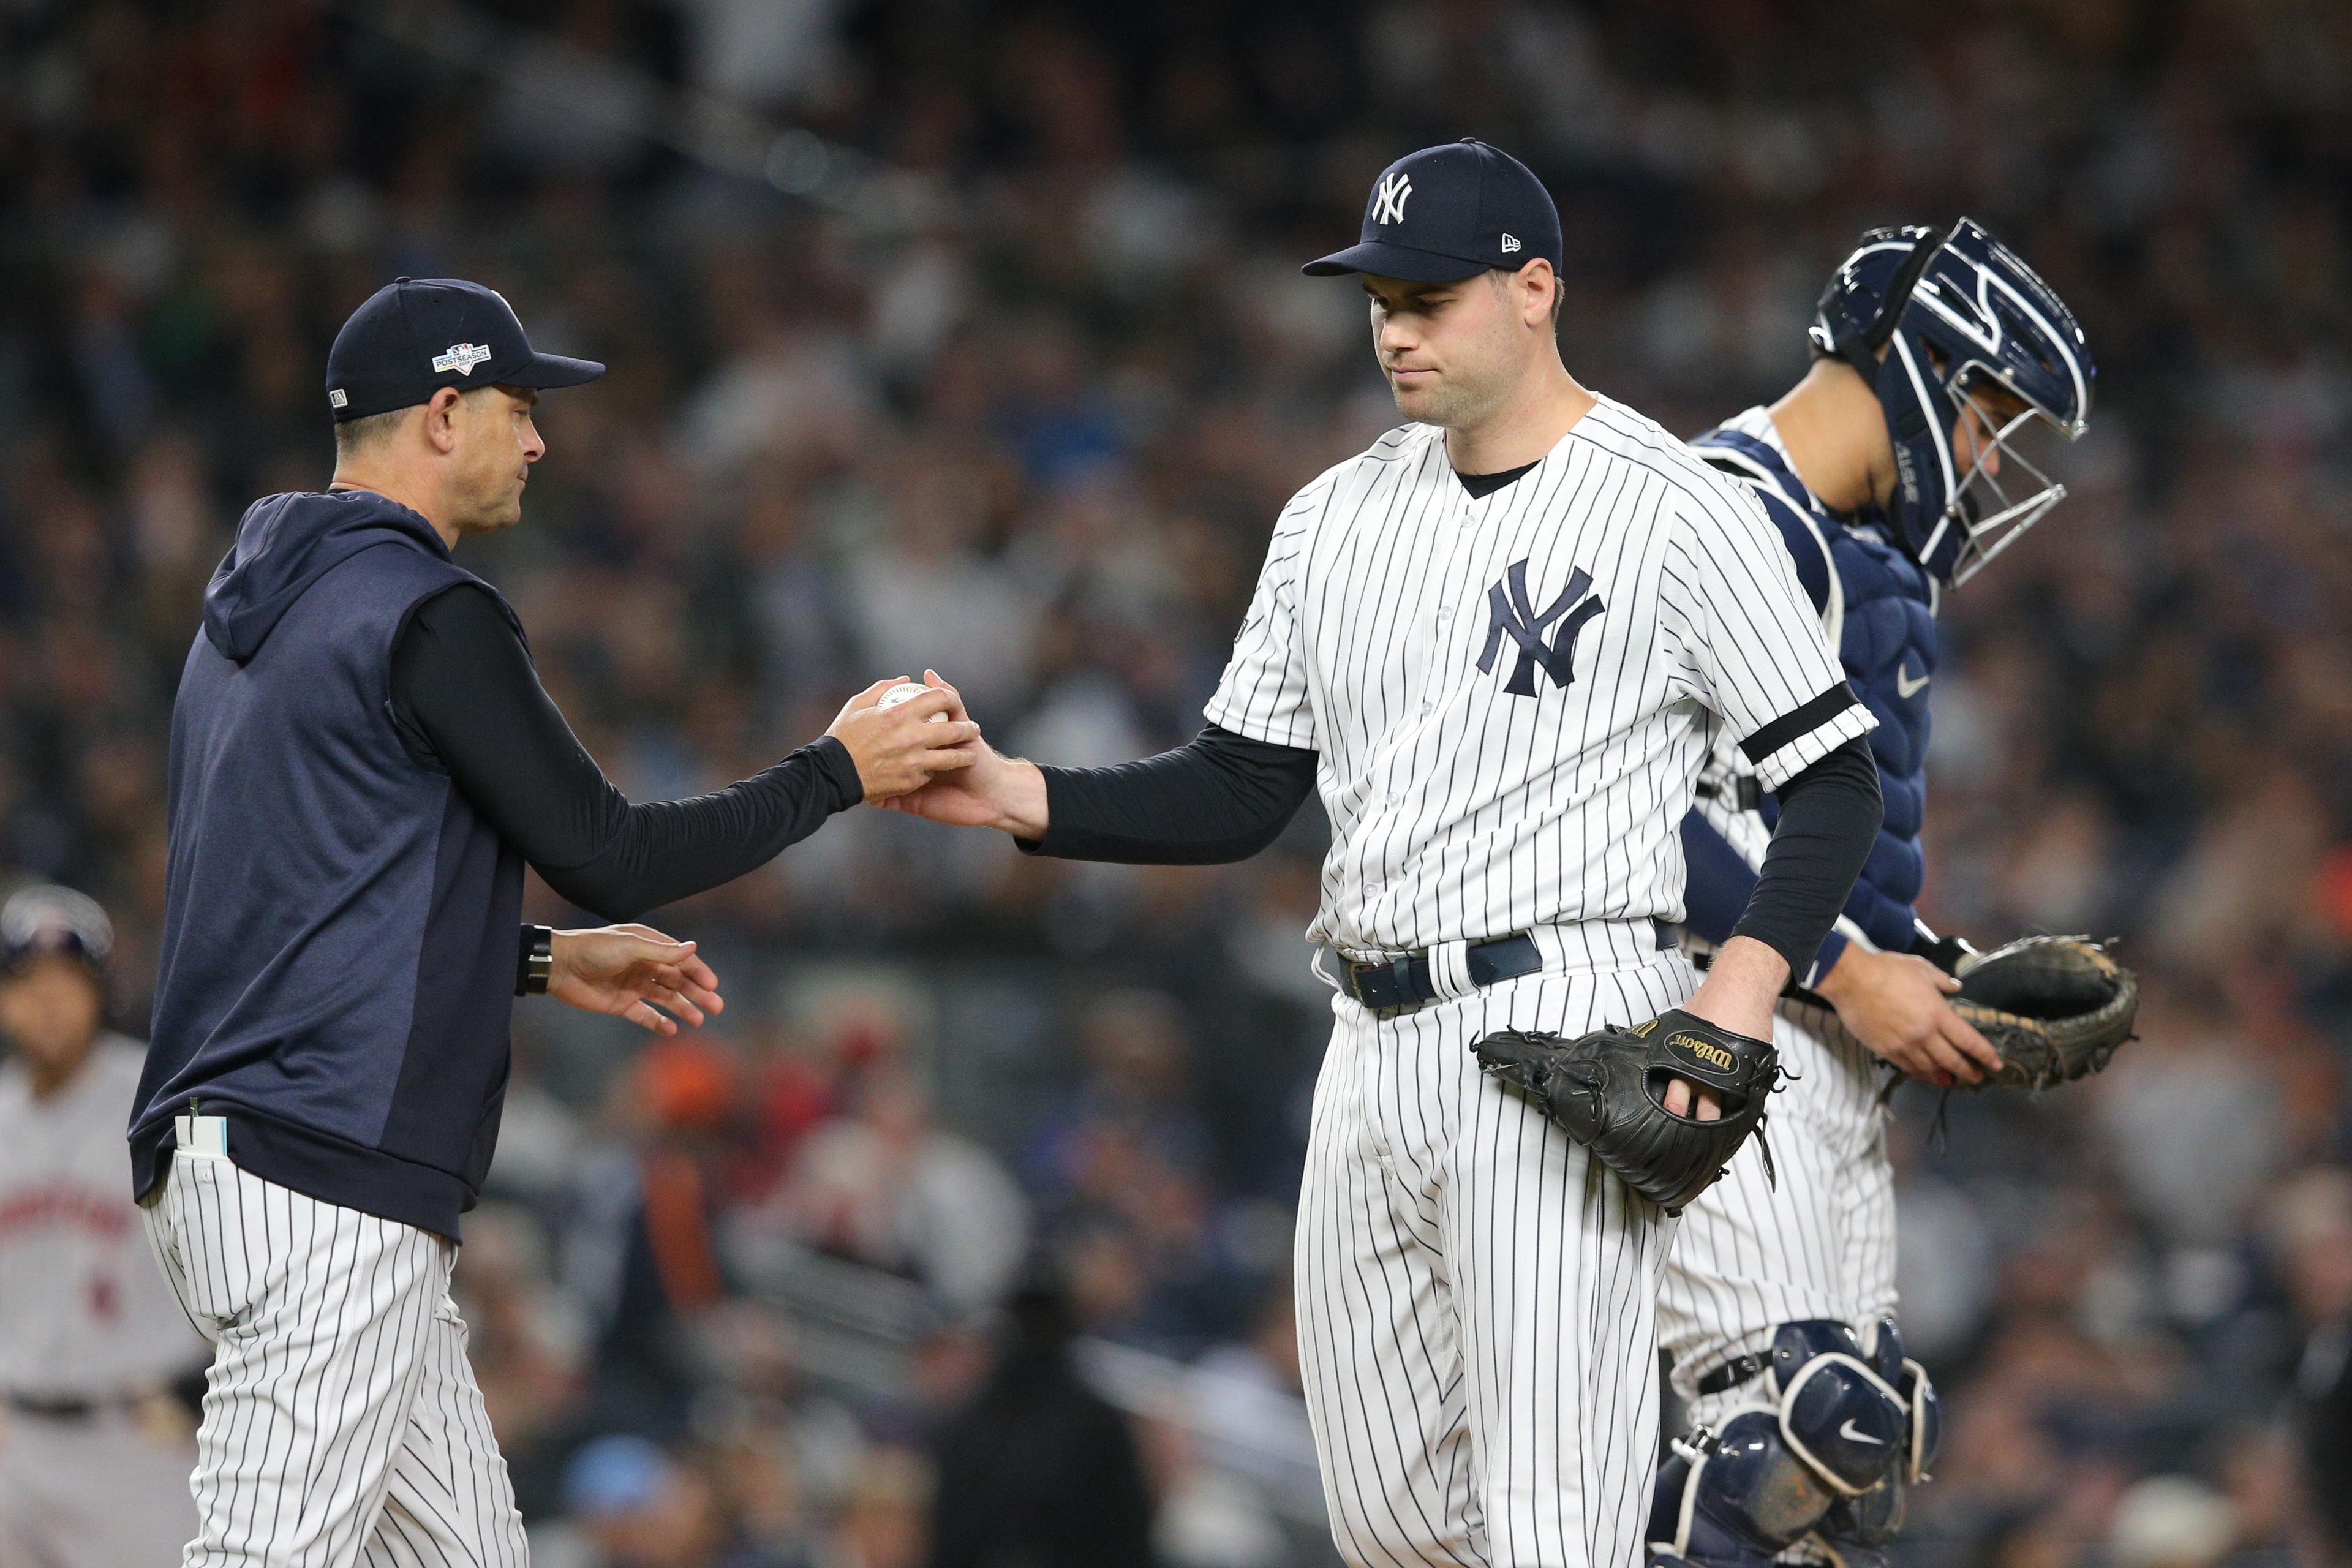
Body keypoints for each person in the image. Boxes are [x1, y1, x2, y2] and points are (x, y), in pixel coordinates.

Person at [883, 140, 1883, 1567]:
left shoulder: (1671, 502)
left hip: (1562, 1027)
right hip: (1362, 1044)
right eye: (1379, 299)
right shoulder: (1331, 515)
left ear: (1535, 289)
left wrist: (1733, 994)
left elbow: (1830, 779)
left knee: (1554, 1529)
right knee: (1395, 1529)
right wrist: (1009, 792)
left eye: (1431, 297)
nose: (1396, 328)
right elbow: (1237, 790)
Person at [129, 277, 978, 1566]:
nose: (538, 441)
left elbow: (280, 901)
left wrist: (525, 957)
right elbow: (612, 851)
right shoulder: (424, 607)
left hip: (252, 1151)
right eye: (519, 409)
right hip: (324, 1171)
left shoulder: (248, 616)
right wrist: (835, 771)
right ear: (445, 409)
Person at [1649, 220, 2095, 1568]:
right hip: (1712, 1010)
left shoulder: (1864, 558)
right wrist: (1854, 974)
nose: (1982, 461)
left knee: (1847, 1467)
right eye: (1983, 415)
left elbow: (1809, 834)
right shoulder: (1718, 510)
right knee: (1777, 1429)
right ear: (1915, 363)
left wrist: (1930, 972)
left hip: (1817, 1038)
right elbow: (1623, 811)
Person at [0, 885, 206, 1568]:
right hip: (14, 1439)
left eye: (69, 981)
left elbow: (242, 1241)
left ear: (103, 991)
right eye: (29, 983)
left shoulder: (165, 1100)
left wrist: (208, 1381)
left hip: (136, 1437)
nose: (50, 1001)